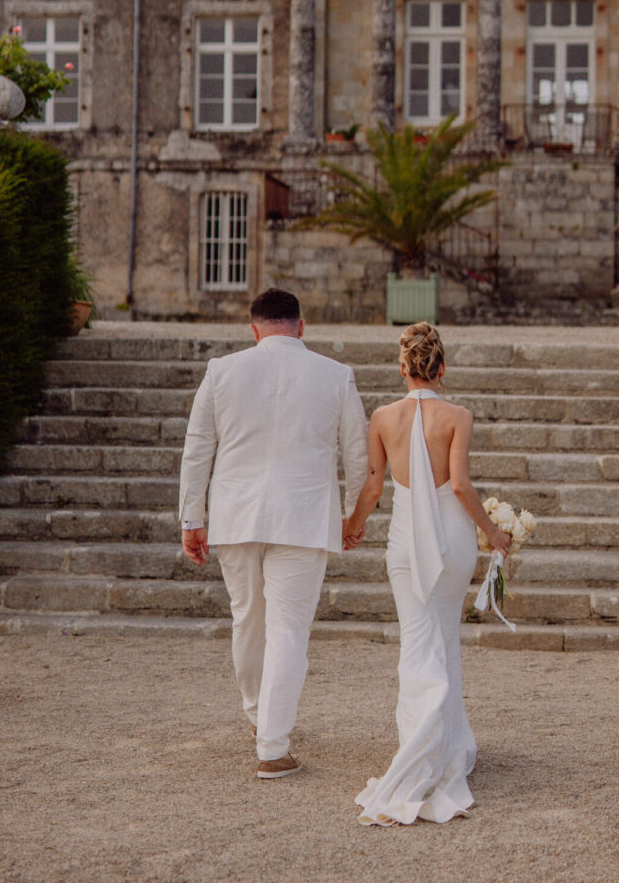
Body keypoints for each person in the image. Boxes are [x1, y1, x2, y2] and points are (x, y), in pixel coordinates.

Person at [179, 289, 368, 780]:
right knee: (288, 630)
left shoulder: (222, 371)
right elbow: (358, 455)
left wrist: (191, 519)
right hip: (304, 517)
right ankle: (272, 744)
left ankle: (258, 718)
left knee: (248, 619)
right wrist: (353, 517)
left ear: (254, 329)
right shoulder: (335, 374)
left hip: (237, 513)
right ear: (301, 327)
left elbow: (198, 449)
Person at [343, 322, 511, 825]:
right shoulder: (458, 415)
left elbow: (374, 488)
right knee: (445, 635)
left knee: (416, 640)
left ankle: (425, 742)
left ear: (402, 369)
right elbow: (459, 486)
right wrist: (493, 533)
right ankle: (444, 747)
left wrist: (352, 527)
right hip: (452, 541)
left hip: (404, 545)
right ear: (441, 368)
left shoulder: (382, 417)